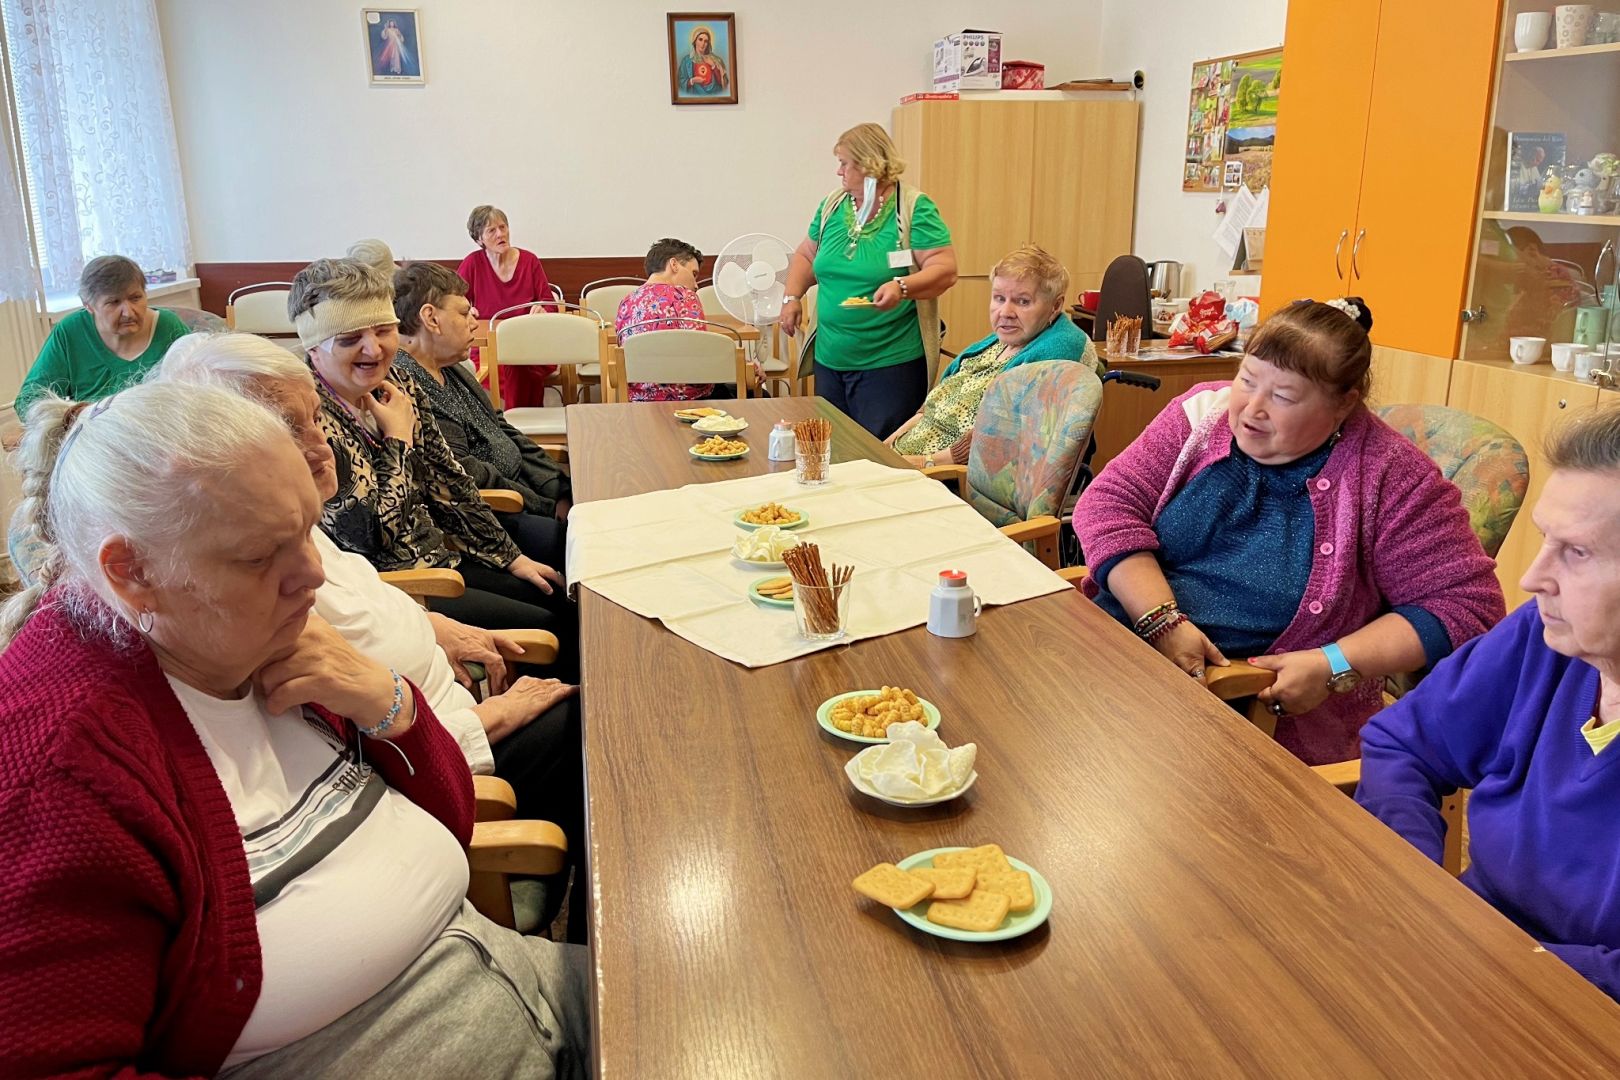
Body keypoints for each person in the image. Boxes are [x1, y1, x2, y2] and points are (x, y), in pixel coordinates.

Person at [0, 381, 589, 1077]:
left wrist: (391, 706)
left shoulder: (257, 637)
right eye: (260, 555)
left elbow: (452, 822)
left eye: (309, 530)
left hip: (515, 982)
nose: (311, 575)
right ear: (132, 573)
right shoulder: (62, 769)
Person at [151, 334, 586, 939]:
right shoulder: (259, 594)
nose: (320, 441)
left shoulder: (303, 531)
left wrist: (437, 628)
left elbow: (373, 593)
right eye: (289, 428)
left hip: (450, 704)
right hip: (446, 757)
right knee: (603, 737)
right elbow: (349, 768)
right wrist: (489, 719)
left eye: (315, 419)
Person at [1073, 298, 1505, 765]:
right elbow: (1107, 503)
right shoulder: (1202, 413)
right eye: (1247, 380)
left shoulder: (1391, 475)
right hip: (1120, 654)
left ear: (1343, 404)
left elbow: (1467, 606)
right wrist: (1161, 620)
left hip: (1243, 720)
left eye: (1282, 396)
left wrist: (1333, 664)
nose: (1252, 409)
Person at [1356, 406, 1620, 1002]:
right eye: (1546, 539)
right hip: (1461, 960)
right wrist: (1414, 879)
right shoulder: (1546, 637)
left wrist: (1494, 959)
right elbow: (1403, 743)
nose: (1533, 577)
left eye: (1577, 552)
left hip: (1577, 1010)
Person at [287, 258, 577, 663]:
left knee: (563, 598)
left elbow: (448, 478)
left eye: (383, 330)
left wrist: (510, 556)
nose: (374, 349)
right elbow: (370, 537)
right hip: (394, 590)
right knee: (554, 626)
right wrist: (398, 439)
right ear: (314, 347)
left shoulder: (397, 382)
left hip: (441, 556)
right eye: (350, 339)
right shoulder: (308, 418)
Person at [780, 122, 958, 438]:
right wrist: (792, 297)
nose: (838, 171)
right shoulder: (832, 206)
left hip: (890, 365)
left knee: (879, 453)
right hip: (831, 359)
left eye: (844, 163)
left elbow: (944, 269)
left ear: (868, 164)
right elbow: (806, 255)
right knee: (834, 449)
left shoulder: (913, 207)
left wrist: (902, 287)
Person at [392, 261, 573, 523]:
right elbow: (466, 475)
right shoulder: (410, 385)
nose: (474, 323)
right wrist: (546, 506)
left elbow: (503, 429)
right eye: (464, 313)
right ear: (431, 318)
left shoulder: (450, 367)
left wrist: (559, 487)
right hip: (492, 511)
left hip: (520, 493)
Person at [888, 244, 1098, 467]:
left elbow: (999, 439)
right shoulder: (1002, 340)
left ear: (1055, 306)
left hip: (943, 476)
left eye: (1023, 301)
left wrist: (920, 463)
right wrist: (885, 447)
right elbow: (930, 409)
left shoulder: (1060, 349)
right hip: (904, 461)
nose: (1005, 312)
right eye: (999, 298)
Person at [15, 255, 190, 417]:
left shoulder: (169, 326)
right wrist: (74, 415)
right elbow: (29, 400)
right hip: (93, 433)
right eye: (114, 302)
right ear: (89, 306)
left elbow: (200, 387)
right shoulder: (70, 331)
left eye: (135, 298)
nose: (128, 313)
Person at [613, 237, 758, 401]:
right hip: (688, 399)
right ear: (674, 265)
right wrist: (746, 365)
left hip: (639, 400)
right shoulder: (684, 296)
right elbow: (700, 352)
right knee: (757, 394)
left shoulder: (626, 302)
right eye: (694, 274)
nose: (696, 285)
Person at [457, 204, 557, 411]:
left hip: (530, 345)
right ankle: (512, 419)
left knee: (520, 366)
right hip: (489, 347)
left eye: (503, 227)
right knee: (498, 367)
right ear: (479, 239)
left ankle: (517, 419)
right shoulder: (472, 263)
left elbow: (550, 305)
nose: (500, 234)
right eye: (492, 230)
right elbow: (454, 302)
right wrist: (466, 310)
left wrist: (543, 310)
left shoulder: (529, 261)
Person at [678, 24, 730, 96]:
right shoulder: (686, 61)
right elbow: (681, 82)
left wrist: (713, 66)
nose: (703, 43)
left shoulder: (716, 59)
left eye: (706, 41)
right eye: (700, 39)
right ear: (695, 41)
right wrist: (692, 81)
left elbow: (723, 83)